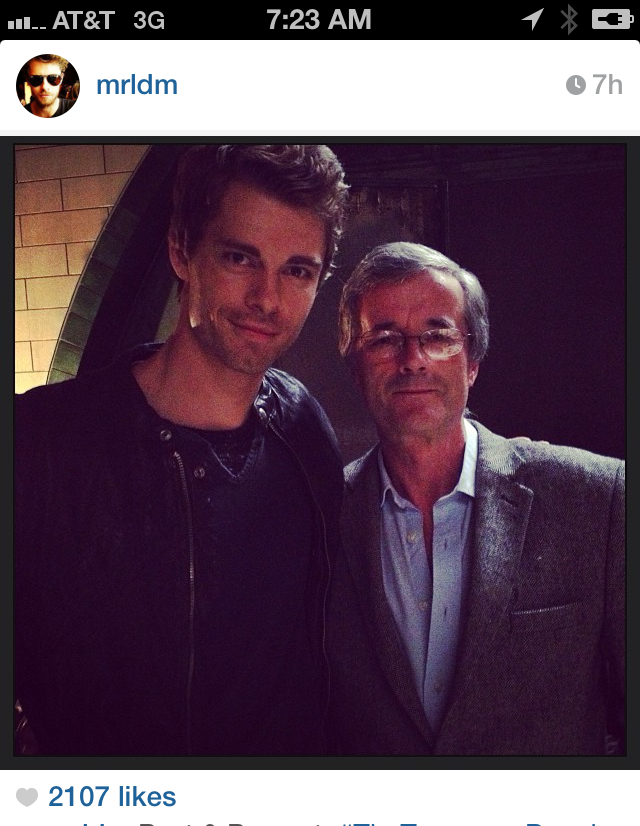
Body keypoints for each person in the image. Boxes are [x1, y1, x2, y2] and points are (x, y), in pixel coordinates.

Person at [15, 144, 350, 756]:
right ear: (180, 251)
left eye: (297, 271)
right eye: (239, 257)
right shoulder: (41, 445)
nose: (267, 298)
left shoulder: (303, 428)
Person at [328, 242, 624, 756]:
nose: (413, 360)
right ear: (356, 366)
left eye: (438, 336)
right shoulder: (321, 517)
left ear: (473, 363)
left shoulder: (598, 500)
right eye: (385, 339)